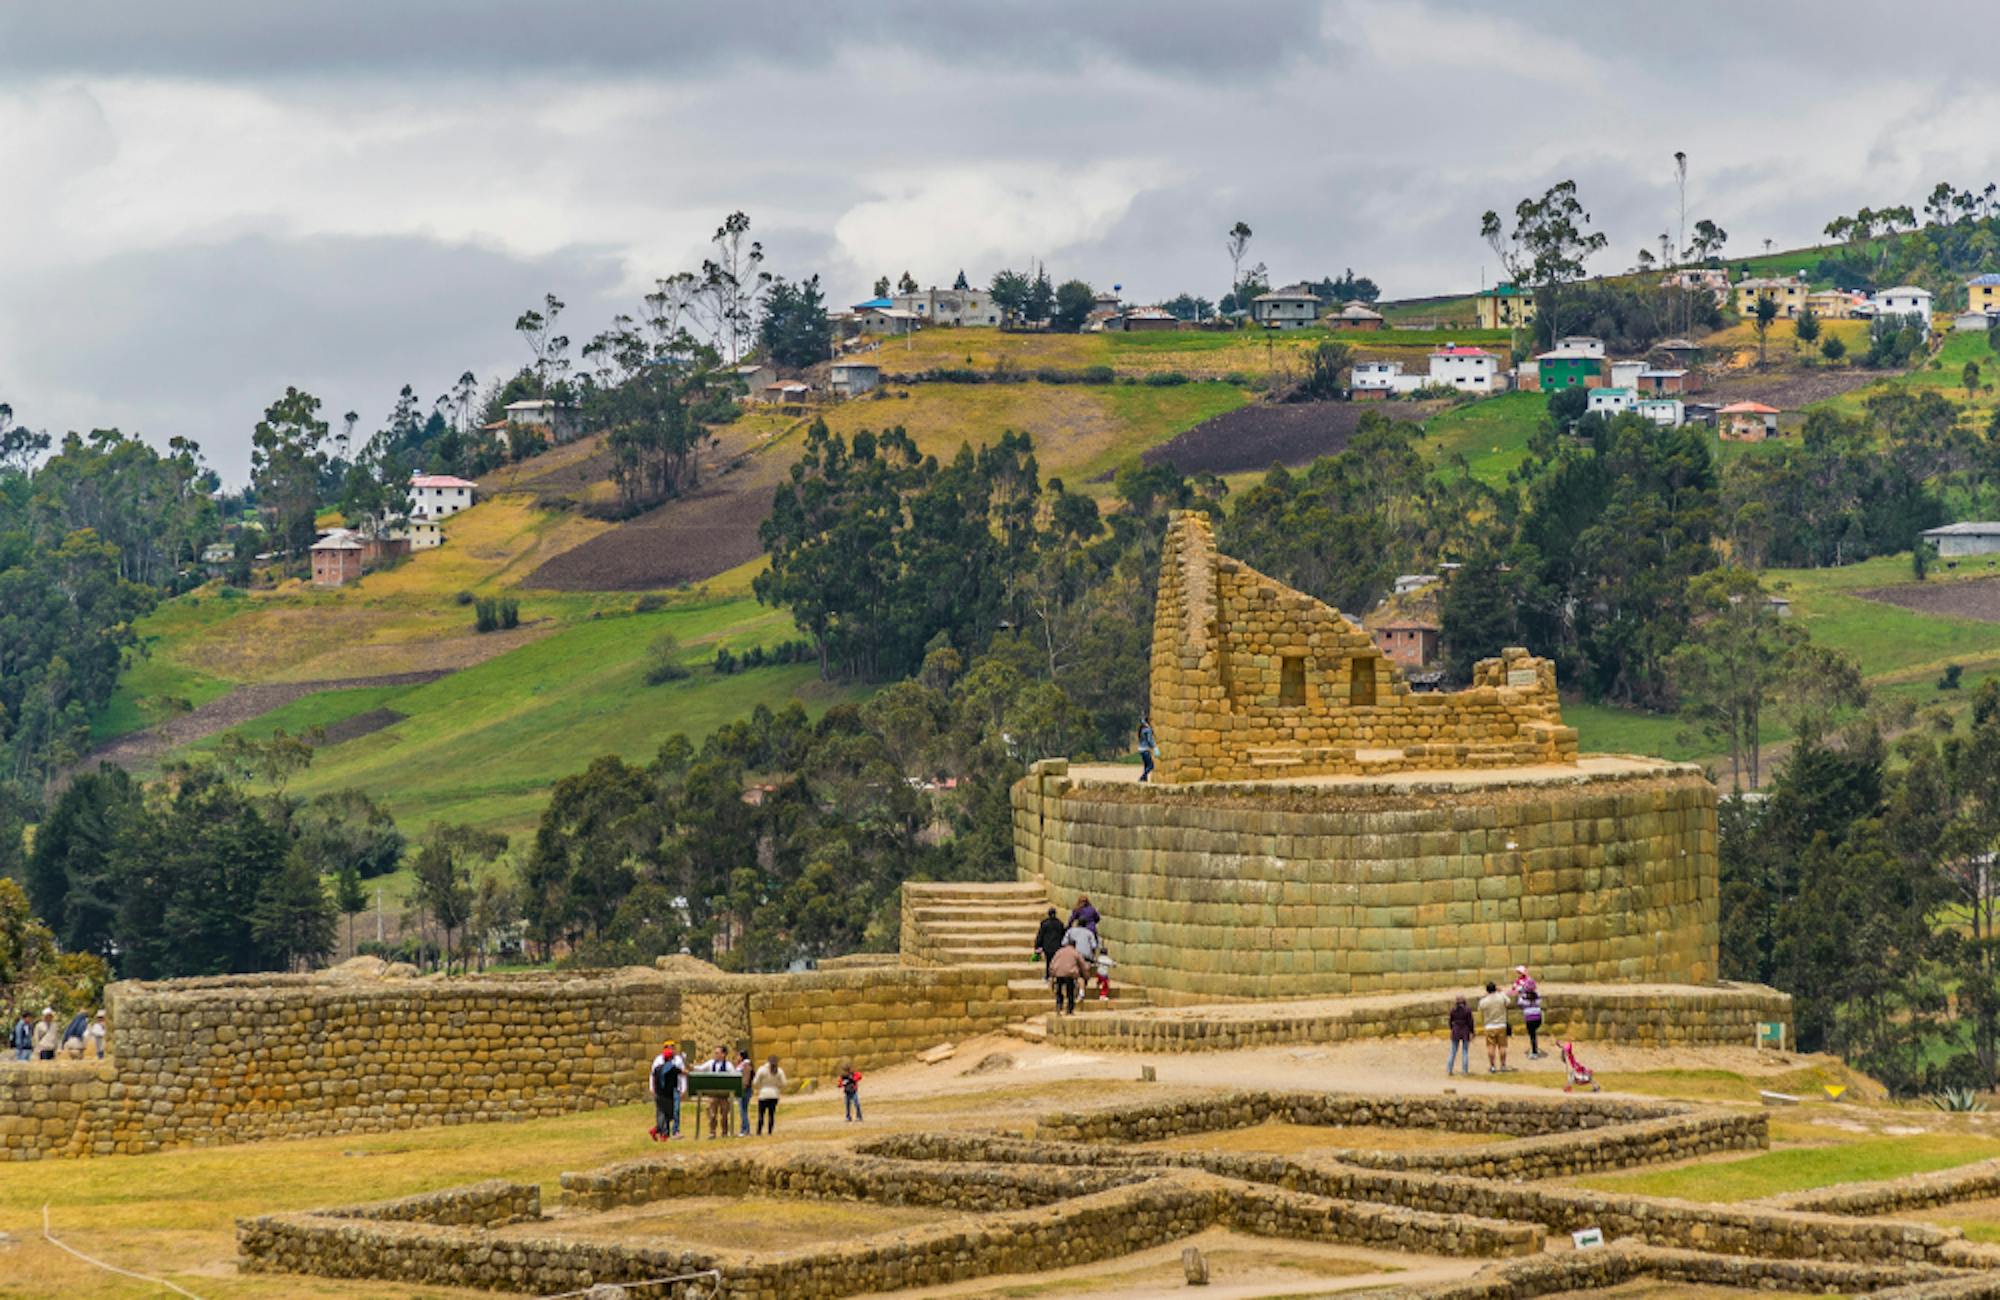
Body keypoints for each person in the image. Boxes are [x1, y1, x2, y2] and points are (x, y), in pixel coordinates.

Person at [648, 1039, 684, 1141]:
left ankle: (666, 1132)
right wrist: (651, 1087)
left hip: (665, 1091)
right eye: (668, 1047)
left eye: (672, 1047)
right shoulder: (668, 1066)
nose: (671, 1049)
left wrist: (683, 1088)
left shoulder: (675, 1061)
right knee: (668, 1113)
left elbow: (681, 1077)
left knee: (666, 1112)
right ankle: (663, 1132)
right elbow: (682, 1073)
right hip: (667, 1092)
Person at [698, 1045, 735, 1138]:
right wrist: (690, 1067)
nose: (715, 1055)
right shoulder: (711, 1063)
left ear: (723, 1054)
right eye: (715, 1053)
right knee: (712, 1114)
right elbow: (700, 1068)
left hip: (724, 1094)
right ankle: (712, 1132)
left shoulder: (728, 1065)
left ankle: (724, 1132)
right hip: (713, 1093)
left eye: (717, 1053)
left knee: (724, 1115)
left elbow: (734, 1076)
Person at [1478, 981, 1512, 1074]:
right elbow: (1508, 1002)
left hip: (1489, 1026)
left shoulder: (1485, 1000)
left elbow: (1480, 1007)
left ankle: (1492, 1066)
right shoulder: (1501, 997)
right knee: (1502, 1046)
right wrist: (1502, 992)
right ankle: (1503, 1065)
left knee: (1490, 1047)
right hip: (1501, 1024)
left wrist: (1484, 996)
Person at [1048, 940, 1089, 1015]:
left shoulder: (1059, 951)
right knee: (1070, 992)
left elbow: (1052, 963)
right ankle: (1069, 1009)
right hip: (1070, 974)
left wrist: (1052, 974)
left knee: (1059, 990)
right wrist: (1086, 976)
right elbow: (1083, 965)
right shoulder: (1075, 952)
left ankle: (1059, 1006)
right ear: (1074, 945)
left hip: (1058, 973)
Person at [752, 1055, 787, 1135]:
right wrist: (777, 1086)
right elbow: (784, 1083)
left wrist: (760, 1086)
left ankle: (759, 1131)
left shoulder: (762, 1070)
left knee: (761, 1114)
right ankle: (770, 1131)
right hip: (774, 1094)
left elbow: (755, 1082)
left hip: (763, 1094)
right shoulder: (779, 1071)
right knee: (771, 1114)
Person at [1034, 907, 1066, 982]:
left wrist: (1037, 945)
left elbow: (1041, 935)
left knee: (1049, 962)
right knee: (1057, 962)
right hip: (1057, 946)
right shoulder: (1060, 923)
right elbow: (1063, 935)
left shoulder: (1044, 923)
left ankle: (1048, 976)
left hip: (1047, 946)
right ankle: (1058, 977)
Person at [1447, 995, 1475, 1077]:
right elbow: (1471, 1022)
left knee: (1453, 1051)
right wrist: (1472, 1031)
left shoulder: (1453, 1010)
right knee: (1465, 1051)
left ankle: (1449, 1069)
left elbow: (1450, 1021)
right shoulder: (1468, 1010)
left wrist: (1452, 1029)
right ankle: (1465, 1071)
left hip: (1456, 1030)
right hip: (1465, 1031)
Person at [1520, 988, 1544, 1060]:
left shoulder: (1524, 999)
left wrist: (1522, 993)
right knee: (1534, 1034)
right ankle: (1535, 1049)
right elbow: (1540, 998)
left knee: (1532, 1036)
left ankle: (1534, 1053)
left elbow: (1519, 1003)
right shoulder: (1537, 998)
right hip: (1538, 1019)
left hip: (1529, 1019)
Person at [734, 1048, 754, 1136]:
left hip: (744, 1090)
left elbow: (746, 1078)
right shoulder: (742, 1064)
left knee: (743, 1111)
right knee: (743, 1110)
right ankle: (743, 1129)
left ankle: (746, 1130)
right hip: (743, 1089)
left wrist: (742, 1088)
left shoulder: (746, 1065)